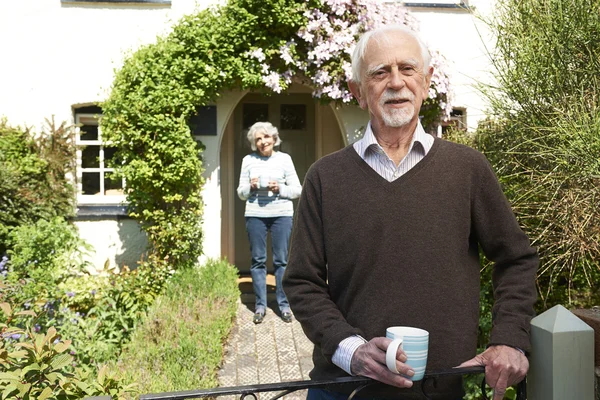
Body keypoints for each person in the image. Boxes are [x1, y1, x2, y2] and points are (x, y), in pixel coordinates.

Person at [283, 25, 538, 400]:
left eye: (408, 68)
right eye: (380, 72)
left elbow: (516, 259)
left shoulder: (467, 169)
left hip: (444, 390)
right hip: (346, 391)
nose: (396, 83)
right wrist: (351, 350)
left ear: (427, 81)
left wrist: (510, 340)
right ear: (358, 92)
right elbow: (302, 282)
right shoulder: (325, 177)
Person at [237, 121, 302, 324]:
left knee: (281, 260)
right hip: (255, 214)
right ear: (254, 143)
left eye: (266, 137)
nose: (263, 141)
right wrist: (250, 186)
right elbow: (241, 193)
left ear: (274, 139)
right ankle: (260, 306)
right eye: (258, 138)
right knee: (257, 260)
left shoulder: (285, 159)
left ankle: (284, 305)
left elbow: (297, 190)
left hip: (281, 214)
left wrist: (279, 188)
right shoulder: (248, 160)